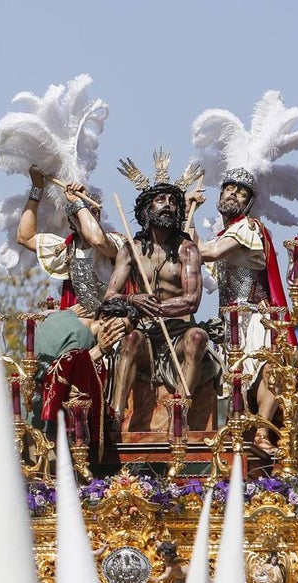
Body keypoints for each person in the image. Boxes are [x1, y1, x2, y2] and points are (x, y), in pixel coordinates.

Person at [187, 167, 294, 454]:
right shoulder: (227, 233)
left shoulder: (248, 229)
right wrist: (190, 213)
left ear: (247, 202)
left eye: (241, 192)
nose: (233, 194)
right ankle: (237, 434)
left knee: (266, 369)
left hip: (256, 318)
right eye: (229, 189)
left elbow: (207, 253)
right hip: (229, 320)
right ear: (220, 194)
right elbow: (195, 248)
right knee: (231, 380)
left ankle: (261, 432)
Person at [104, 172, 222, 418]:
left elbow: (191, 301)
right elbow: (110, 297)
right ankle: (115, 415)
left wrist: (158, 308)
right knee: (130, 340)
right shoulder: (130, 250)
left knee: (199, 337)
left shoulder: (187, 250)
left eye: (172, 201)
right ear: (147, 209)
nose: (168, 205)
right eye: (160, 200)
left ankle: (180, 414)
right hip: (145, 333)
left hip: (179, 333)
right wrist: (133, 299)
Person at [18, 165, 123, 314]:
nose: (83, 216)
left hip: (112, 320)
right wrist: (37, 188)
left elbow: (97, 240)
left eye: (89, 211)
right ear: (71, 222)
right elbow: (25, 237)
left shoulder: (116, 243)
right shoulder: (68, 248)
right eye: (77, 214)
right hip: (79, 324)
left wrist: (79, 203)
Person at [31, 303, 131, 458]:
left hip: (30, 412)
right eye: (119, 329)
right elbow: (62, 375)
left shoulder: (62, 316)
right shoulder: (83, 338)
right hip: (47, 427)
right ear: (103, 318)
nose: (118, 339)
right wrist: (99, 351)